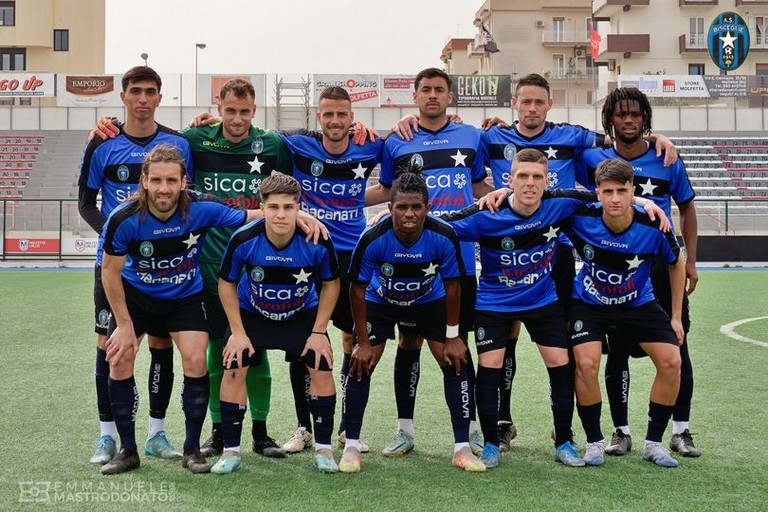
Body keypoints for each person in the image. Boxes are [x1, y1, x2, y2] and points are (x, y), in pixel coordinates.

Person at [99, 144, 258, 474]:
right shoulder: (124, 219)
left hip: (184, 297)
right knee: (121, 355)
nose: (164, 188)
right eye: (156, 180)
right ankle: (128, 450)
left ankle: (191, 450)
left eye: (172, 180)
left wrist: (293, 214)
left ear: (185, 181)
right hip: (136, 299)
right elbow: (109, 272)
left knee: (197, 359)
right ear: (143, 181)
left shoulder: (201, 207)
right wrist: (124, 325)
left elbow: (250, 216)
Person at [364, 68, 494, 457]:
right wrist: (342, 202)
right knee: (408, 342)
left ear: (449, 96)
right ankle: (405, 429)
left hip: (457, 258)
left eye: (439, 89)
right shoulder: (398, 141)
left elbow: (478, 186)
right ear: (415, 97)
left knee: (457, 344)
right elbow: (387, 190)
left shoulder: (472, 137)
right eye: (425, 90)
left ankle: (469, 429)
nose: (432, 95)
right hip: (407, 256)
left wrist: (513, 197)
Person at [574, 86, 699, 458]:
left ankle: (681, 429)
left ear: (646, 118)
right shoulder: (592, 156)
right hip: (615, 260)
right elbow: (578, 188)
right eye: (620, 114)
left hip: (659, 259)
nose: (628, 120)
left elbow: (687, 207)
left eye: (636, 114)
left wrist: (690, 259)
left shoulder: (666, 156)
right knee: (618, 352)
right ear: (609, 119)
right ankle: (620, 431)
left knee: (678, 346)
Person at [78, 66, 191, 465]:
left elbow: (186, 197)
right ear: (123, 96)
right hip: (116, 268)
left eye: (150, 91)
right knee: (111, 348)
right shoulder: (102, 143)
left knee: (163, 345)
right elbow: (86, 203)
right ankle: (107, 436)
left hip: (165, 269)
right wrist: (115, 237)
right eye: (135, 91)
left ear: (160, 98)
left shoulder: (178, 144)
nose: (143, 98)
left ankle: (156, 434)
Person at [343, 171, 485, 473]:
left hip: (427, 300)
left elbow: (452, 286)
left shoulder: (444, 235)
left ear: (427, 207)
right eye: (402, 207)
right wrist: (363, 342)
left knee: (454, 358)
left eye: (416, 207)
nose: (409, 214)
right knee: (361, 362)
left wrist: (453, 335)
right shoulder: (373, 238)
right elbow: (356, 289)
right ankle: (352, 445)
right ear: (390, 207)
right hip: (381, 300)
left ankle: (462, 447)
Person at [278, 86, 384, 455]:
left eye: (342, 114)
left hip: (352, 258)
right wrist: (207, 120)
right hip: (307, 257)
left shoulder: (372, 146)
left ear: (352, 116)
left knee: (356, 341)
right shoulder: (296, 146)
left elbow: (409, 148)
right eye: (328, 114)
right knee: (301, 343)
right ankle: (303, 428)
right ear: (317, 116)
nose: (335, 121)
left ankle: (345, 429)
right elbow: (250, 134)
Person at [213, 173, 341, 474]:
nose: (281, 214)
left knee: (321, 365)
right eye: (273, 207)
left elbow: (332, 284)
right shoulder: (244, 238)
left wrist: (319, 331)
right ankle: (230, 452)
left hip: (300, 314)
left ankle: (323, 450)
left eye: (288, 207)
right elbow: (226, 283)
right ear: (263, 207)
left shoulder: (317, 239)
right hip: (253, 314)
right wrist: (238, 332)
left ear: (299, 208)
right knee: (234, 366)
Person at [567, 158, 686, 468]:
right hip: (589, 303)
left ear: (633, 191)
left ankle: (653, 443)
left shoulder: (653, 224)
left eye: (623, 190)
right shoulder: (581, 216)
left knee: (672, 362)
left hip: (637, 304)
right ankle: (594, 442)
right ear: (598, 192)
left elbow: (676, 262)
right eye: (608, 191)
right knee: (586, 364)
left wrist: (675, 316)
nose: (615, 199)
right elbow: (544, 198)